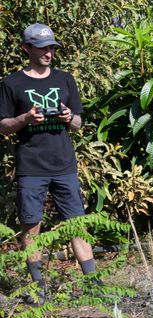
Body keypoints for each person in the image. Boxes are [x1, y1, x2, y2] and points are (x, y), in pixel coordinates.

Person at [0, 23, 98, 303]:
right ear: (26, 49)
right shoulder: (11, 84)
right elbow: (3, 126)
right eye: (43, 48)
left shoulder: (65, 79)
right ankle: (38, 287)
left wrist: (68, 117)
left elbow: (79, 123)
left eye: (52, 48)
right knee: (32, 226)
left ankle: (93, 284)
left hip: (64, 164)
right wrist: (25, 119)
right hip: (31, 166)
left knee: (76, 224)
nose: (49, 53)